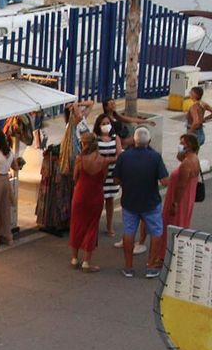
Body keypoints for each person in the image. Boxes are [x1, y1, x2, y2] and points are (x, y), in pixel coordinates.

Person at [114, 127, 169, 279]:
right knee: (156, 233)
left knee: (129, 233)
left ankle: (129, 267)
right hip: (150, 202)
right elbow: (164, 181)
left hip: (130, 201)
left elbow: (116, 179)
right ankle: (151, 266)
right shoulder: (155, 157)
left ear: (134, 140)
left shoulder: (124, 157)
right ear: (149, 141)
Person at [68, 133, 115, 272]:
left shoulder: (79, 159)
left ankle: (74, 258)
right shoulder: (103, 161)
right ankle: (87, 262)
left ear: (84, 144)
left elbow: (75, 177)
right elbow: (103, 178)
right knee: (92, 226)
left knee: (77, 224)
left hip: (80, 194)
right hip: (95, 195)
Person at [94, 113, 124, 240]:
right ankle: (94, 225)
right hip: (99, 174)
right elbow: (95, 156)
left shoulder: (115, 138)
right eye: (103, 124)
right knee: (98, 201)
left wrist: (108, 160)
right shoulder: (95, 139)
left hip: (112, 174)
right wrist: (109, 160)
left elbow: (119, 155)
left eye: (108, 123)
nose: (106, 126)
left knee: (110, 200)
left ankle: (109, 225)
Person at [163, 134, 201, 231]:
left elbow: (181, 186)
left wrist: (174, 204)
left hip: (179, 199)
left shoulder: (187, 163)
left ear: (189, 145)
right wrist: (181, 151)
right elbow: (179, 157)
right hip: (187, 198)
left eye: (182, 143)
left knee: (173, 224)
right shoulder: (194, 158)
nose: (179, 144)